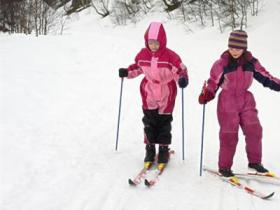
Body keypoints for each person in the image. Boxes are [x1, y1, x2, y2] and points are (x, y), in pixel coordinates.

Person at [198, 30, 280, 177]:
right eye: (231, 48)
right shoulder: (221, 64)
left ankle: (255, 162)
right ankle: (224, 167)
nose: (234, 51)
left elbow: (265, 77)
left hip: (246, 99)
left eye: (238, 48)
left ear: (244, 48)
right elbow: (213, 82)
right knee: (229, 134)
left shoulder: (251, 63)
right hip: (227, 102)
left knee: (254, 129)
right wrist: (207, 94)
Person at [119, 22, 188, 166]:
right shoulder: (143, 54)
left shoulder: (170, 56)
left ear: (162, 41)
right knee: (149, 121)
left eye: (156, 43)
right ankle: (149, 149)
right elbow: (137, 68)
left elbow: (180, 69)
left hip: (166, 91)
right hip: (148, 91)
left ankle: (163, 150)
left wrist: (182, 79)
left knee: (163, 121)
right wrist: (127, 72)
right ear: (146, 42)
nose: (153, 46)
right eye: (150, 43)